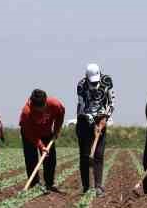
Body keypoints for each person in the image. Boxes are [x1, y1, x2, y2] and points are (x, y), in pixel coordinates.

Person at [75, 63, 114, 195]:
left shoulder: (107, 81)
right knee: (85, 156)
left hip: (101, 120)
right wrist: (91, 121)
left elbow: (111, 102)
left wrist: (105, 118)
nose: (94, 84)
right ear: (86, 77)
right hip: (84, 121)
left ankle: (98, 186)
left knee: (98, 154)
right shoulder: (81, 85)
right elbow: (82, 107)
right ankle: (86, 187)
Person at [19, 88, 66, 192]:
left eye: (42, 107)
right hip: (30, 135)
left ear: (45, 101)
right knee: (31, 158)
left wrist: (56, 130)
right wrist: (40, 145)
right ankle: (34, 184)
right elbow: (29, 133)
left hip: (47, 132)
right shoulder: (26, 113)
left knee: (50, 158)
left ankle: (49, 183)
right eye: (37, 109)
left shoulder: (55, 104)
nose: (40, 110)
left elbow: (60, 114)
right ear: (32, 104)